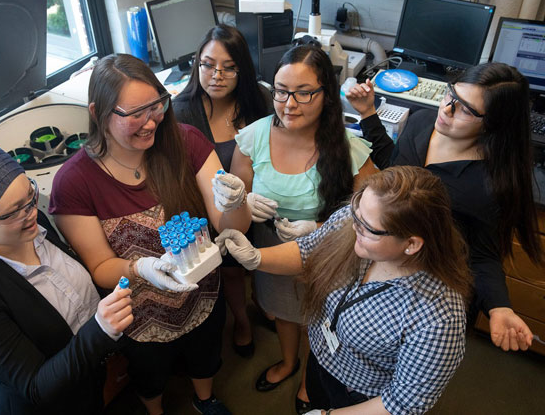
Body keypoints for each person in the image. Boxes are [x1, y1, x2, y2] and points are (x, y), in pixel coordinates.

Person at [49, 53, 251, 415]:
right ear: (98, 113)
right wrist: (141, 268)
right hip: (140, 316)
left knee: (205, 355)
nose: (150, 122)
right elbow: (99, 266)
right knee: (149, 374)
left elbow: (230, 228)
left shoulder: (185, 141)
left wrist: (236, 203)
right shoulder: (75, 182)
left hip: (202, 293)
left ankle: (205, 399)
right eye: (133, 114)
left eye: (156, 106)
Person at [218, 166, 472, 414]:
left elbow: (402, 402)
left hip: (361, 394)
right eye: (355, 212)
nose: (353, 226)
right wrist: (255, 258)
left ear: (411, 244)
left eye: (367, 228)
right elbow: (310, 250)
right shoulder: (359, 219)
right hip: (321, 360)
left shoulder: (439, 317)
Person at [345, 61, 543, 351]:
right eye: (451, 95)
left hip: (430, 287)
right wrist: (367, 114)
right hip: (388, 263)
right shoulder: (422, 121)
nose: (446, 109)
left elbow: (482, 254)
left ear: (493, 123)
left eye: (465, 108)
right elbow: (395, 168)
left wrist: (499, 307)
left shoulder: (488, 184)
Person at [229, 41, 378, 412]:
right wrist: (240, 202)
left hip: (328, 253)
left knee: (321, 320)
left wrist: (323, 225)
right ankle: (288, 360)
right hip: (270, 248)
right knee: (282, 311)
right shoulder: (254, 137)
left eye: (303, 93)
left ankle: (312, 378)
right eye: (281, 91)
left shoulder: (346, 147)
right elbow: (234, 203)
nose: (288, 104)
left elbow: (376, 213)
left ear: (326, 95)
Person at [0, 146, 133, 415]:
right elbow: (35, 387)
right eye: (14, 211)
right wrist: (99, 330)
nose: (31, 212)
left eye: (30, 196)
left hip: (87, 381)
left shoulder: (33, 222)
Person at [173, 24, 272, 357]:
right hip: (215, 213)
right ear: (196, 64)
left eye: (229, 67)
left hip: (261, 205)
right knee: (231, 271)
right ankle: (242, 320)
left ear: (242, 69)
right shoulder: (182, 112)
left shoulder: (259, 99)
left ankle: (263, 303)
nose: (217, 75)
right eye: (207, 64)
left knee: (264, 263)